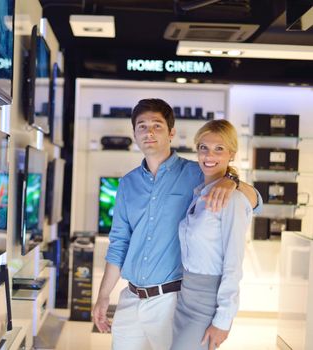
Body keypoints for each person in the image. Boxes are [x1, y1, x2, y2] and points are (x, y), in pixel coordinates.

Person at [92, 99, 260, 350]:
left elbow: (256, 201)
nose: (149, 132)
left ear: (171, 132)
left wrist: (232, 180)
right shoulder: (127, 184)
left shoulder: (197, 173)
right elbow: (119, 245)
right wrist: (104, 295)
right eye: (142, 126)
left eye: (157, 126)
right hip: (130, 298)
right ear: (134, 134)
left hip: (171, 301)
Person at [171, 120, 251, 350]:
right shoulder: (199, 192)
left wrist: (223, 320)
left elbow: (234, 264)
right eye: (203, 147)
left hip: (207, 301)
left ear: (232, 154)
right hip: (184, 296)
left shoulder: (233, 200)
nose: (209, 155)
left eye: (219, 149)